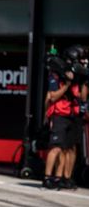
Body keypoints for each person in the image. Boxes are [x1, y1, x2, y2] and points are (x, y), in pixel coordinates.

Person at [43, 46, 87, 190]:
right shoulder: (56, 75)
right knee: (56, 147)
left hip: (72, 115)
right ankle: (47, 177)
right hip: (59, 114)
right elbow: (52, 96)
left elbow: (81, 96)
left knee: (68, 148)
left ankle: (62, 178)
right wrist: (67, 84)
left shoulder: (78, 76)